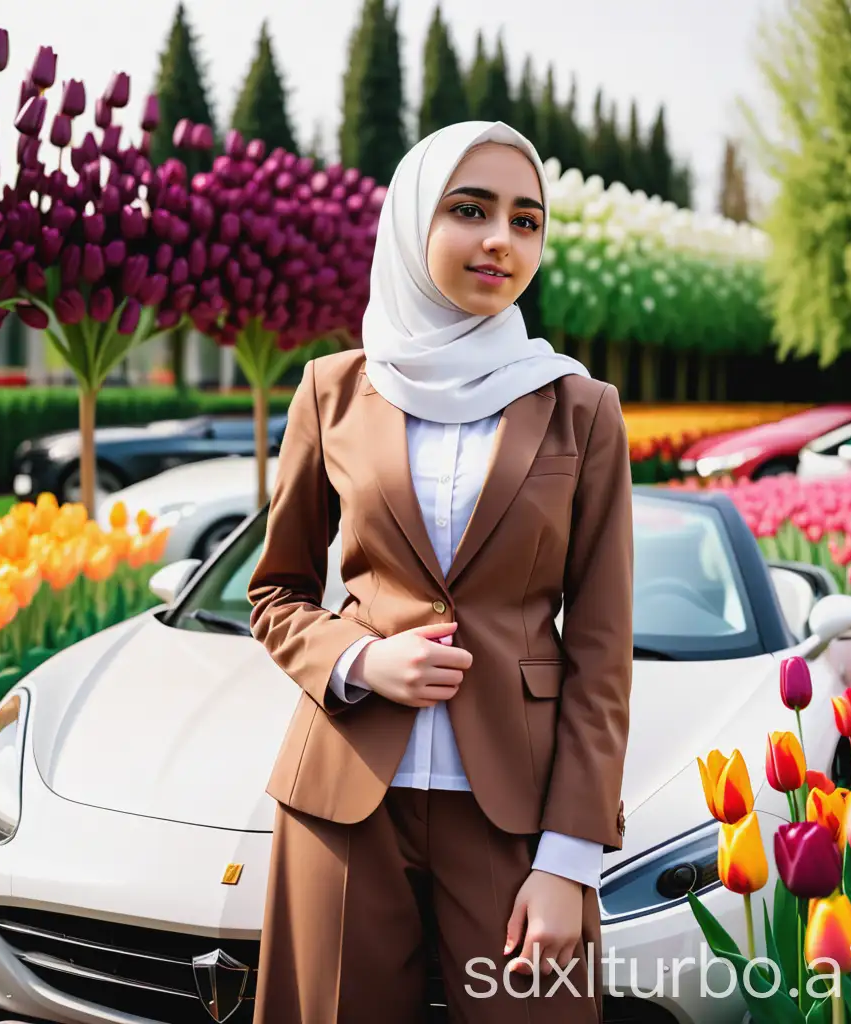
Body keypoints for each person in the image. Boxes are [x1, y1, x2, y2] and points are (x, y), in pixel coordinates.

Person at [247, 120, 633, 1024]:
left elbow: (604, 651)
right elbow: (275, 592)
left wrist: (569, 859)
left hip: (517, 814)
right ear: (413, 222)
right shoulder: (330, 391)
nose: (502, 239)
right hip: (343, 800)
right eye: (471, 210)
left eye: (527, 219)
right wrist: (358, 661)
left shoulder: (583, 409)